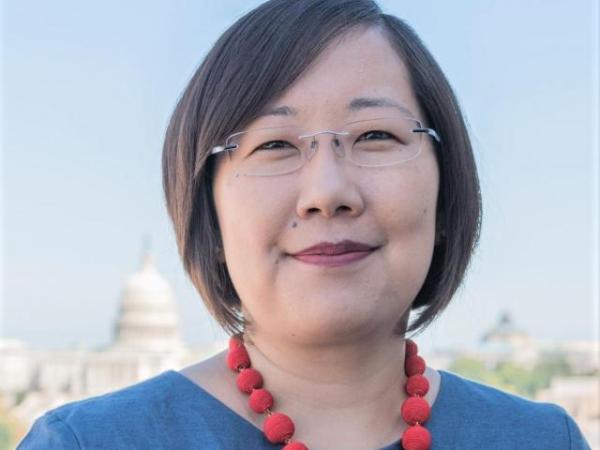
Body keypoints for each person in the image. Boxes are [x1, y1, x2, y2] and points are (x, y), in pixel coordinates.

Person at [17, 0, 592, 449]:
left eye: (375, 135)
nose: (327, 193)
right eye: (273, 145)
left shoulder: (542, 440)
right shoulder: (89, 443)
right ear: (207, 214)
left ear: (447, 193)